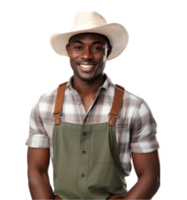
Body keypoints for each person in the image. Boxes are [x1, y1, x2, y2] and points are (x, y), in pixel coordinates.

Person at [24, 10, 162, 200]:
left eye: (96, 47)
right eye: (79, 47)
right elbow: (36, 172)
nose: (87, 55)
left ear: (108, 51)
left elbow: (150, 176)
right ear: (68, 51)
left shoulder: (135, 107)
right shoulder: (44, 105)